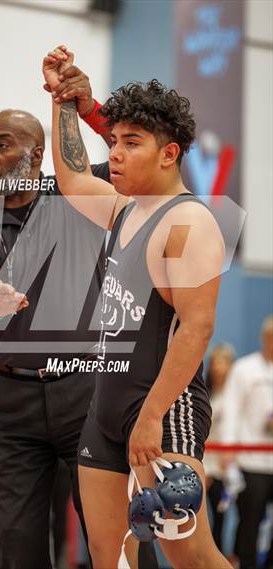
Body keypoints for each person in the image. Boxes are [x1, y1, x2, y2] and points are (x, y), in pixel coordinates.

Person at [45, 48, 233, 569]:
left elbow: (197, 329)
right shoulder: (125, 210)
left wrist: (150, 418)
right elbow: (72, 179)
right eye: (113, 141)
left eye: (131, 143)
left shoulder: (190, 223)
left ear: (169, 154)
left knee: (191, 557)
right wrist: (63, 101)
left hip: (163, 411)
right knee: (108, 556)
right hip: (105, 411)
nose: (116, 154)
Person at [0, 62, 112, 569]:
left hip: (86, 390)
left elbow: (140, 158)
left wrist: (82, 108)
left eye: (2, 144)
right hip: (10, 399)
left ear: (36, 156)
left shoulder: (78, 196)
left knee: (112, 536)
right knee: (18, 544)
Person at [221, 315, 273, 569]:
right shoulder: (244, 369)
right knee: (250, 520)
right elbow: (231, 411)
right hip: (250, 461)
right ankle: (246, 564)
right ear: (264, 338)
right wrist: (228, 449)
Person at [203, 343, 236, 550]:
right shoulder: (206, 394)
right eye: (214, 362)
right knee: (204, 517)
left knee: (222, 515)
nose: (217, 366)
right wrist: (205, 468)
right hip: (208, 463)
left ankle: (222, 557)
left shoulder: (236, 397)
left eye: (222, 362)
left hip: (231, 465)